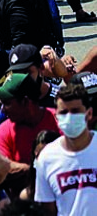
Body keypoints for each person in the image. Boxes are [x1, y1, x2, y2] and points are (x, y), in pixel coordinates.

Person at [34, 84, 96, 216]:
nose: (69, 117)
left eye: (75, 111)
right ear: (56, 116)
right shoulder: (47, 157)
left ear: (89, 113)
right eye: (64, 112)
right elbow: (46, 209)